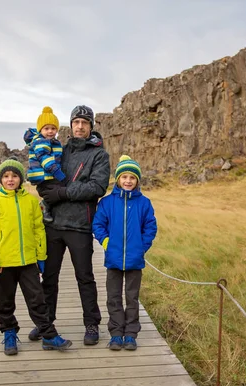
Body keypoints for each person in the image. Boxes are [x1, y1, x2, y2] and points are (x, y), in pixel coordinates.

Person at [28, 105, 110, 345]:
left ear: (91, 126)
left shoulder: (99, 155)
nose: (80, 126)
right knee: (49, 278)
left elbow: (96, 188)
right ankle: (45, 324)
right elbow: (43, 173)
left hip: (81, 224)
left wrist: (62, 193)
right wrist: (45, 190)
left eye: (85, 122)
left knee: (85, 276)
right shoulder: (60, 150)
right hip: (53, 224)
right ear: (71, 125)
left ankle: (92, 324)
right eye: (76, 122)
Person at [0, 157, 72, 355]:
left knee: (37, 300)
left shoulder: (30, 201)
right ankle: (9, 334)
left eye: (14, 176)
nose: (10, 179)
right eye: (6, 176)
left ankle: (48, 335)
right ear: (1, 180)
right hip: (4, 264)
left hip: (28, 262)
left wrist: (41, 256)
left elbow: (38, 229)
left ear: (21, 179)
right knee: (5, 302)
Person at [92, 155, 157, 351]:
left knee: (132, 297)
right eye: (124, 177)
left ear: (137, 180)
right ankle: (116, 333)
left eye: (132, 177)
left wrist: (141, 247)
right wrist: (106, 242)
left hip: (134, 261)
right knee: (113, 297)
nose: (128, 181)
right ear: (118, 179)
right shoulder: (107, 202)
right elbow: (98, 224)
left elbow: (150, 227)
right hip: (113, 259)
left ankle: (130, 334)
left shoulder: (144, 203)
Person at [23, 106, 66, 223]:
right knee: (57, 191)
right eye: (46, 128)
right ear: (40, 130)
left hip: (46, 174)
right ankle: (44, 206)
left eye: (53, 128)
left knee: (56, 191)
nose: (50, 131)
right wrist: (56, 171)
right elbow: (44, 157)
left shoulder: (52, 142)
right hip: (43, 175)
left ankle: (47, 208)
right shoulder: (41, 142)